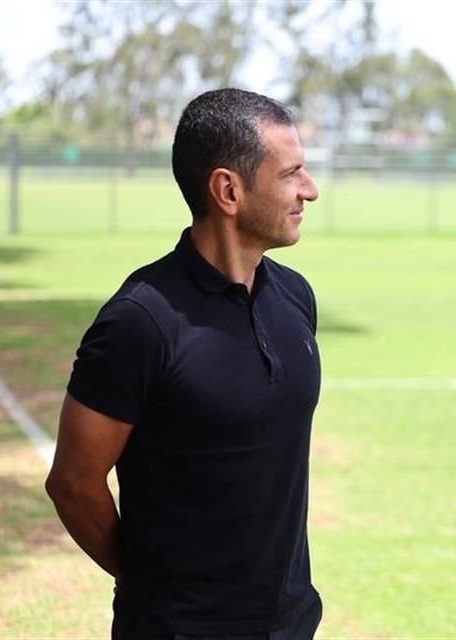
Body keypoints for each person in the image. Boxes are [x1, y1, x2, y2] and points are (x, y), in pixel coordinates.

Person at [45, 88, 323, 639]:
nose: (309, 191)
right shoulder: (139, 322)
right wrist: (154, 583)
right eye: (291, 173)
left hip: (290, 624)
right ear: (228, 190)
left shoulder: (295, 298)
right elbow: (74, 484)